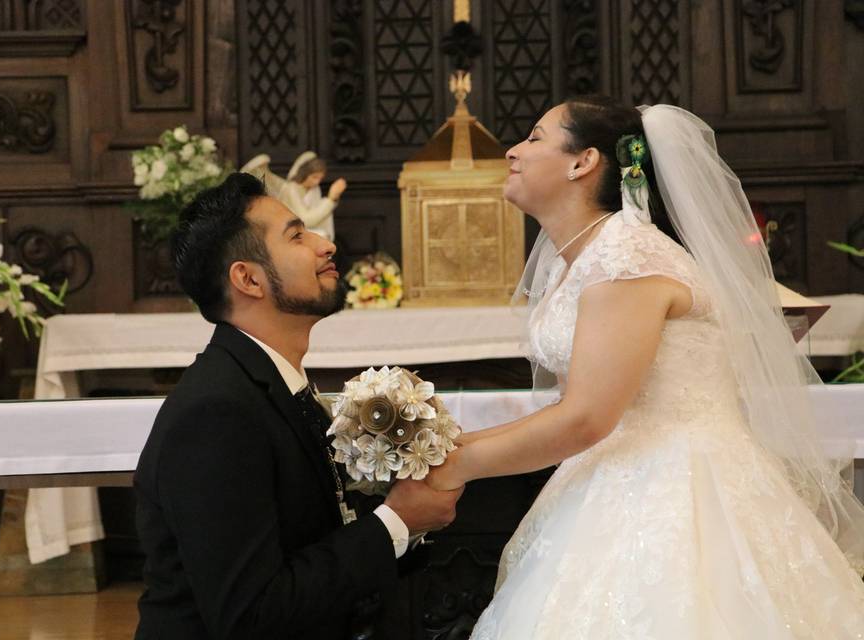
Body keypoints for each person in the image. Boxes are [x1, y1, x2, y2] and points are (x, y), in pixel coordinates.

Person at [425, 96, 864, 637]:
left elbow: (587, 418)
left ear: (583, 162)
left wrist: (454, 466)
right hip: (617, 474)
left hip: (677, 490)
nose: (513, 151)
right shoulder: (591, 257)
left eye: (535, 137)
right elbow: (580, 405)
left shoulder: (627, 258)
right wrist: (448, 448)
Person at [134, 172, 463, 640]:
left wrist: (408, 521)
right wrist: (396, 520)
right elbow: (250, 615)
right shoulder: (216, 412)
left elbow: (315, 541)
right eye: (297, 236)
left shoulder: (269, 383)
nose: (325, 245)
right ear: (248, 278)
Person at [277, 151, 347, 241]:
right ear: (305, 174)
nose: (317, 182)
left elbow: (317, 211)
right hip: (293, 231)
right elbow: (305, 220)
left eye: (320, 178)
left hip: (310, 228)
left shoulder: (314, 189)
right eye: (314, 177)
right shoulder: (291, 189)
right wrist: (330, 199)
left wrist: (334, 198)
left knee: (323, 235)